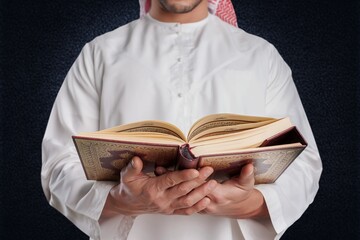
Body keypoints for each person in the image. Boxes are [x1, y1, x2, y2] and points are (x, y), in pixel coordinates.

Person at [41, 0, 322, 239]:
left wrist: (252, 205)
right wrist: (121, 200)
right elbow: (58, 165)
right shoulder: (99, 55)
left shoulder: (262, 57)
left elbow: (303, 164)